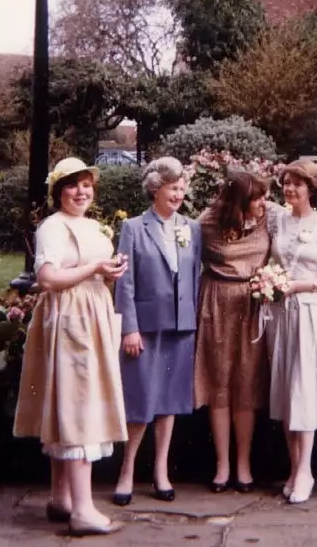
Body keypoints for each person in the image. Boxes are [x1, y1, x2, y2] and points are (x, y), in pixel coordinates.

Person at [13, 157, 128, 537]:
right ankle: (83, 511)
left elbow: (92, 267)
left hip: (91, 313)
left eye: (86, 185)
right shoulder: (53, 226)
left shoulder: (92, 225)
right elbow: (47, 277)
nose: (81, 192)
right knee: (79, 407)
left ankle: (61, 498)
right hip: (71, 320)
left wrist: (109, 269)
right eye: (72, 185)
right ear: (58, 192)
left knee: (75, 402)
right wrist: (95, 269)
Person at [112, 157, 202, 506]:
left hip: (180, 327)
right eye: (172, 187)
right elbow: (125, 283)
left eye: (182, 188)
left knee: (169, 403)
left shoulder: (191, 228)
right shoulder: (134, 228)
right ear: (155, 188)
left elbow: (193, 278)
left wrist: (191, 321)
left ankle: (161, 471)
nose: (178, 194)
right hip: (145, 331)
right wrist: (129, 329)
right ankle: (127, 471)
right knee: (140, 401)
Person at [194, 170, 276, 492]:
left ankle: (243, 464)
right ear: (239, 200)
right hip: (216, 304)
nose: (263, 203)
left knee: (246, 384)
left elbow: (306, 214)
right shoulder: (207, 223)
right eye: (256, 198)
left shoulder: (271, 217)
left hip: (251, 306)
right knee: (219, 382)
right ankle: (222, 465)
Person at [266, 160, 317, 504]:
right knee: (284, 386)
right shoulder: (276, 219)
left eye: (297, 184)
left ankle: (307, 470)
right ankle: (294, 468)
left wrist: (300, 285)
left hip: (312, 311)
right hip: (280, 313)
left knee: (304, 387)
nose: (290, 189)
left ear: (311, 188)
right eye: (286, 183)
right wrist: (268, 282)